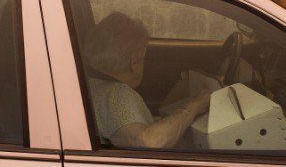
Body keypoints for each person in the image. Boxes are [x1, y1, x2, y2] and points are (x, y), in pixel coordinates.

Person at [82, 12, 211, 149]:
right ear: (135, 62)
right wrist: (195, 106)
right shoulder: (116, 93)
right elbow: (150, 142)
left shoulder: (88, 83)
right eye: (143, 57)